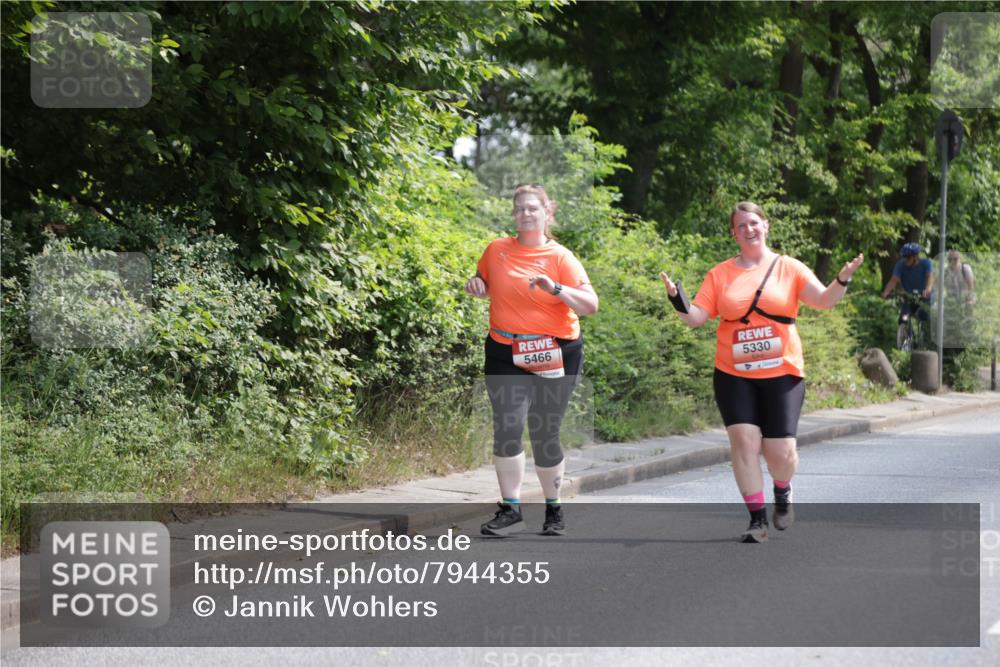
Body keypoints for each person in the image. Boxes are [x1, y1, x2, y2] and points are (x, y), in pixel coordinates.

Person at [660, 201, 863, 543]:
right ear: (733, 233)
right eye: (741, 226)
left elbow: (825, 301)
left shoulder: (789, 268)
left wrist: (843, 278)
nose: (749, 229)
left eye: (754, 223)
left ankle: (782, 490)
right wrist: (676, 298)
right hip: (733, 371)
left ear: (766, 226)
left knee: (781, 454)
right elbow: (696, 318)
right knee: (744, 442)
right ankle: (756, 520)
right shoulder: (720, 274)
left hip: (782, 371)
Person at [465, 184, 599, 537]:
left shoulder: (561, 257)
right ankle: (510, 508)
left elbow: (590, 304)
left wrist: (555, 288)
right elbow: (485, 280)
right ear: (514, 214)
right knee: (507, 427)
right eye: (520, 209)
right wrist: (477, 284)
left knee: (544, 430)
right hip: (505, 349)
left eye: (532, 209)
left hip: (556, 350)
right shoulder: (496, 250)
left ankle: (554, 510)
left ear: (547, 214)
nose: (525, 214)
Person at [880, 243, 934, 328]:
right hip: (909, 297)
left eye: (909, 257)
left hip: (924, 296)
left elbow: (929, 277)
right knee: (903, 318)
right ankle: (904, 337)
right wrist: (886, 292)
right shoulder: (900, 265)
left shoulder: (926, 263)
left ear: (915, 257)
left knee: (924, 316)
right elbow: (894, 280)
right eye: (905, 257)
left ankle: (925, 338)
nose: (906, 260)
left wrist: (928, 288)